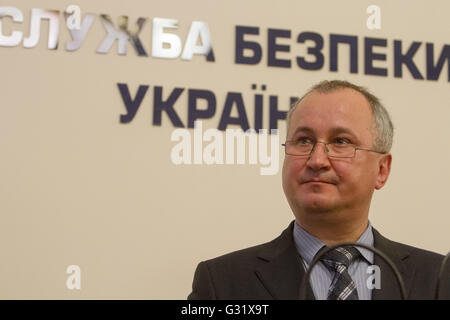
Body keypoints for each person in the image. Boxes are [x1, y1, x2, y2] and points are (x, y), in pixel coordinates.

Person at [187, 80, 449, 300]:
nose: (317, 160)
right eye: (303, 141)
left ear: (381, 170)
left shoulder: (438, 279)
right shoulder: (222, 284)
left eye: (341, 142)